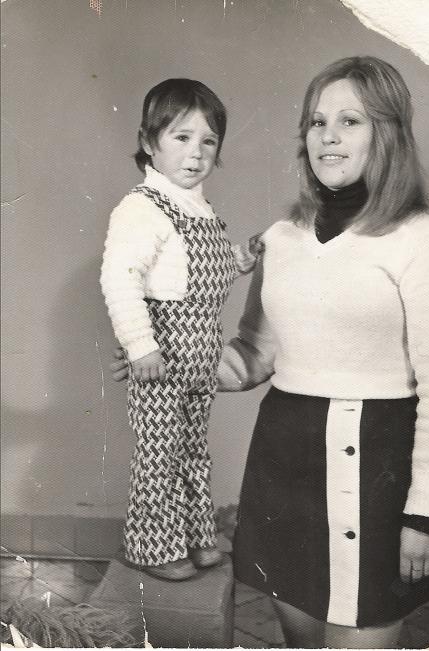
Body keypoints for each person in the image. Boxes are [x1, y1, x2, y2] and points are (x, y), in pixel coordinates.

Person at [215, 56, 429, 648]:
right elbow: (254, 356)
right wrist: (171, 361)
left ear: (387, 133)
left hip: (377, 464)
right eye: (317, 122)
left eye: (350, 121)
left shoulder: (425, 242)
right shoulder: (281, 238)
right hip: (283, 456)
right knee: (301, 636)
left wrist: (426, 511)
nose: (327, 135)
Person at [101, 79, 261, 582]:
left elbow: (204, 271)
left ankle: (195, 538)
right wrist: (140, 346)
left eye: (209, 141)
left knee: (192, 450)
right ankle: (152, 548)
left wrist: (243, 258)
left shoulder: (199, 206)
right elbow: (120, 278)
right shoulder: (143, 206)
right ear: (149, 142)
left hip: (201, 355)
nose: (196, 153)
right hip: (162, 355)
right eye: (181, 137)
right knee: (159, 454)